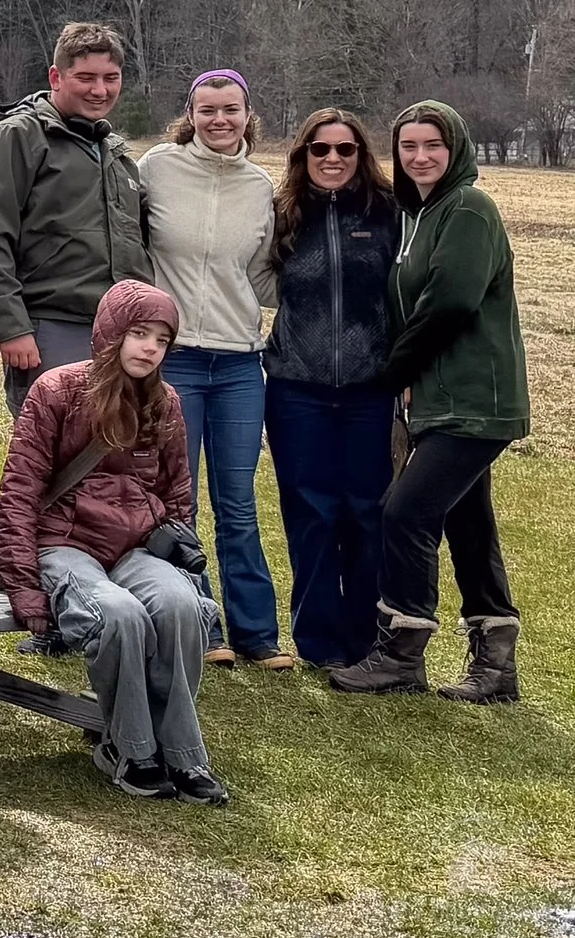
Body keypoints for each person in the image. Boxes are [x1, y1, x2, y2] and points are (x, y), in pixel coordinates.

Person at [0, 281, 228, 805]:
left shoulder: (165, 401)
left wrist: (180, 560)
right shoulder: (55, 390)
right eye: (139, 334)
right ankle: (131, 749)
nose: (149, 348)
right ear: (111, 333)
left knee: (179, 604)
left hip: (136, 545)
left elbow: (178, 493)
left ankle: (184, 756)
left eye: (162, 340)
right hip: (64, 542)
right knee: (118, 614)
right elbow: (20, 490)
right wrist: (24, 585)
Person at [331, 101, 528, 704]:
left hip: (476, 399)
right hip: (444, 401)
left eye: (433, 146)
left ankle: (401, 653)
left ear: (456, 148)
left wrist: (396, 371)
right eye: (409, 146)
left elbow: (451, 302)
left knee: (405, 514)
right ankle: (495, 667)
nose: (419, 157)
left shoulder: (468, 208)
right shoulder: (422, 215)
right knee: (469, 524)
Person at [139, 70, 290, 669]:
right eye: (207, 110)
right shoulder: (156, 169)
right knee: (179, 501)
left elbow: (262, 273)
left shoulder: (261, 188)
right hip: (173, 358)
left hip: (237, 363)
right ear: (191, 113)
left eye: (230, 110)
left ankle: (258, 634)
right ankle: (201, 625)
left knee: (239, 500)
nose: (219, 120)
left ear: (248, 114)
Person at [263, 108, 400, 670]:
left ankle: (365, 639)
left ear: (361, 156)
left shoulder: (388, 213)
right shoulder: (283, 215)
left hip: (371, 389)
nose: (333, 159)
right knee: (311, 513)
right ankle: (318, 642)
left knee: (367, 513)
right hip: (297, 388)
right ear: (304, 155)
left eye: (346, 150)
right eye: (321, 149)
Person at [0, 21, 152, 420]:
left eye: (110, 78)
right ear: (56, 76)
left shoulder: (113, 152)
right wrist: (12, 328)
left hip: (119, 330)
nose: (100, 90)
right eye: (85, 77)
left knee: (113, 458)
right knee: (54, 455)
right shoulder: (18, 137)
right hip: (52, 328)